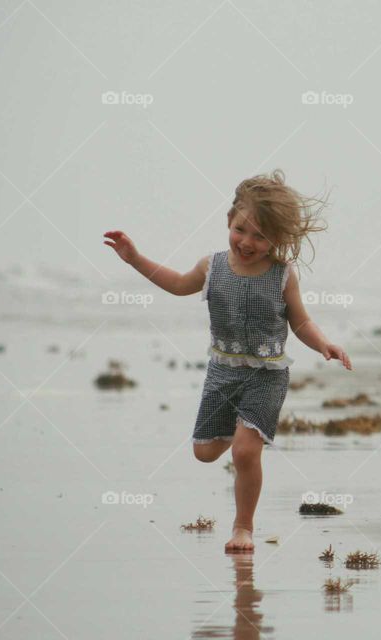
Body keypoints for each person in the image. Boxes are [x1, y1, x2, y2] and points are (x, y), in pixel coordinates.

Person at [104, 170, 351, 552]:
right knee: (203, 453)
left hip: (267, 374)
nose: (247, 242)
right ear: (228, 222)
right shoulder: (212, 266)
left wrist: (324, 344)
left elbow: (299, 321)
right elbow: (176, 284)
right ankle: (235, 432)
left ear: (277, 240)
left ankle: (243, 529)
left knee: (245, 451)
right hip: (223, 370)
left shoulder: (282, 275)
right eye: (241, 230)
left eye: (260, 236)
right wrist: (134, 258)